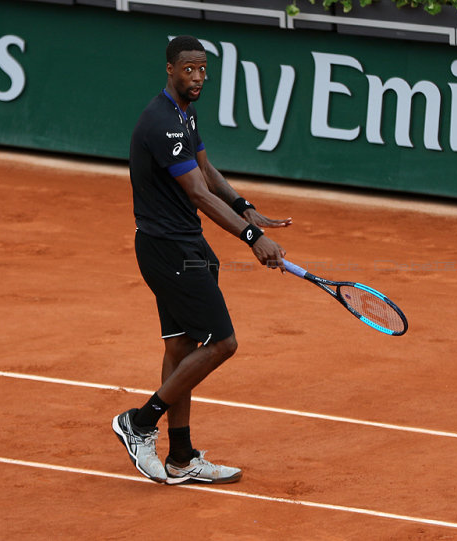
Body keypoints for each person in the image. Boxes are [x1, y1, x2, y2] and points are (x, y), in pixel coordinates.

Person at [112, 35, 292, 485]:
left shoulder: (183, 114)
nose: (198, 78)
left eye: (204, 70)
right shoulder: (163, 123)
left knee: (181, 347)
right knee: (222, 342)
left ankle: (182, 456)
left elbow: (208, 173)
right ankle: (139, 423)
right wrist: (252, 237)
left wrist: (244, 204)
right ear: (170, 69)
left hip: (184, 245)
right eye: (189, 69)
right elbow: (196, 192)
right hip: (169, 250)